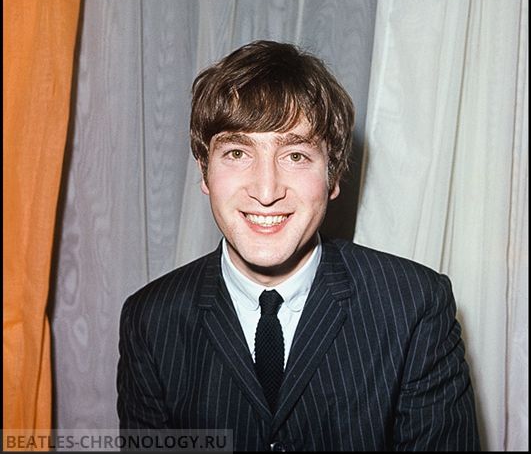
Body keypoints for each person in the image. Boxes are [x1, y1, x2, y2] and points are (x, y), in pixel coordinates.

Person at [117, 40, 480, 451]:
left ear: (333, 175)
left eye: (296, 156)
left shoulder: (414, 306)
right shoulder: (149, 321)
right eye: (237, 152)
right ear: (204, 171)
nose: (266, 190)